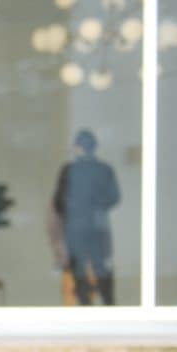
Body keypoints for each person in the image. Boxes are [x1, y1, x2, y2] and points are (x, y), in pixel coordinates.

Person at [54, 129, 121, 306]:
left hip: (75, 227)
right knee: (102, 266)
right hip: (99, 226)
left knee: (79, 269)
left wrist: (71, 212)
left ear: (77, 147)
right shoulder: (106, 170)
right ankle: (108, 303)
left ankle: (85, 305)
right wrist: (98, 206)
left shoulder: (69, 170)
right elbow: (114, 197)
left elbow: (59, 202)